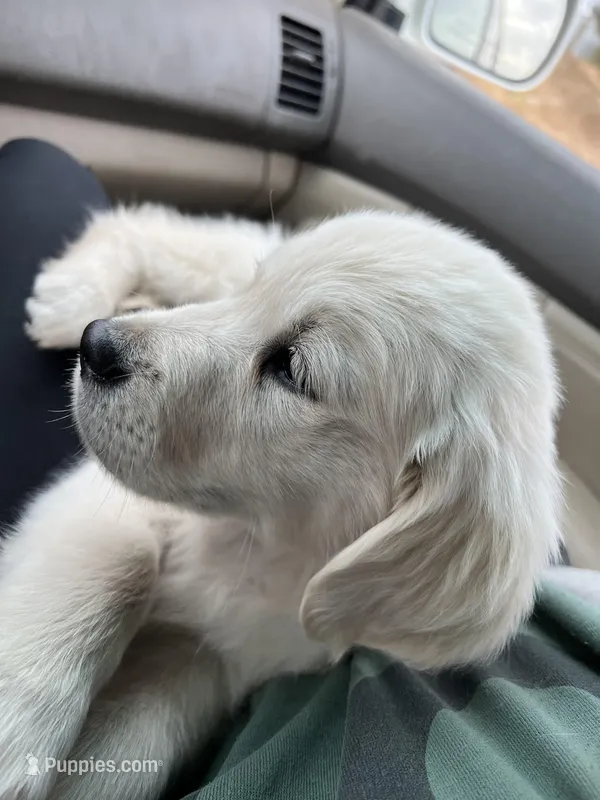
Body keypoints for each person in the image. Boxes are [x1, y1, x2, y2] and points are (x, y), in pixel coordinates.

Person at [1, 139, 599, 800]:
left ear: (408, 510)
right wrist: (34, 682)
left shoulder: (383, 578)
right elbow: (118, 521)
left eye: (292, 369)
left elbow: (215, 666)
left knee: (37, 172)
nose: (118, 338)